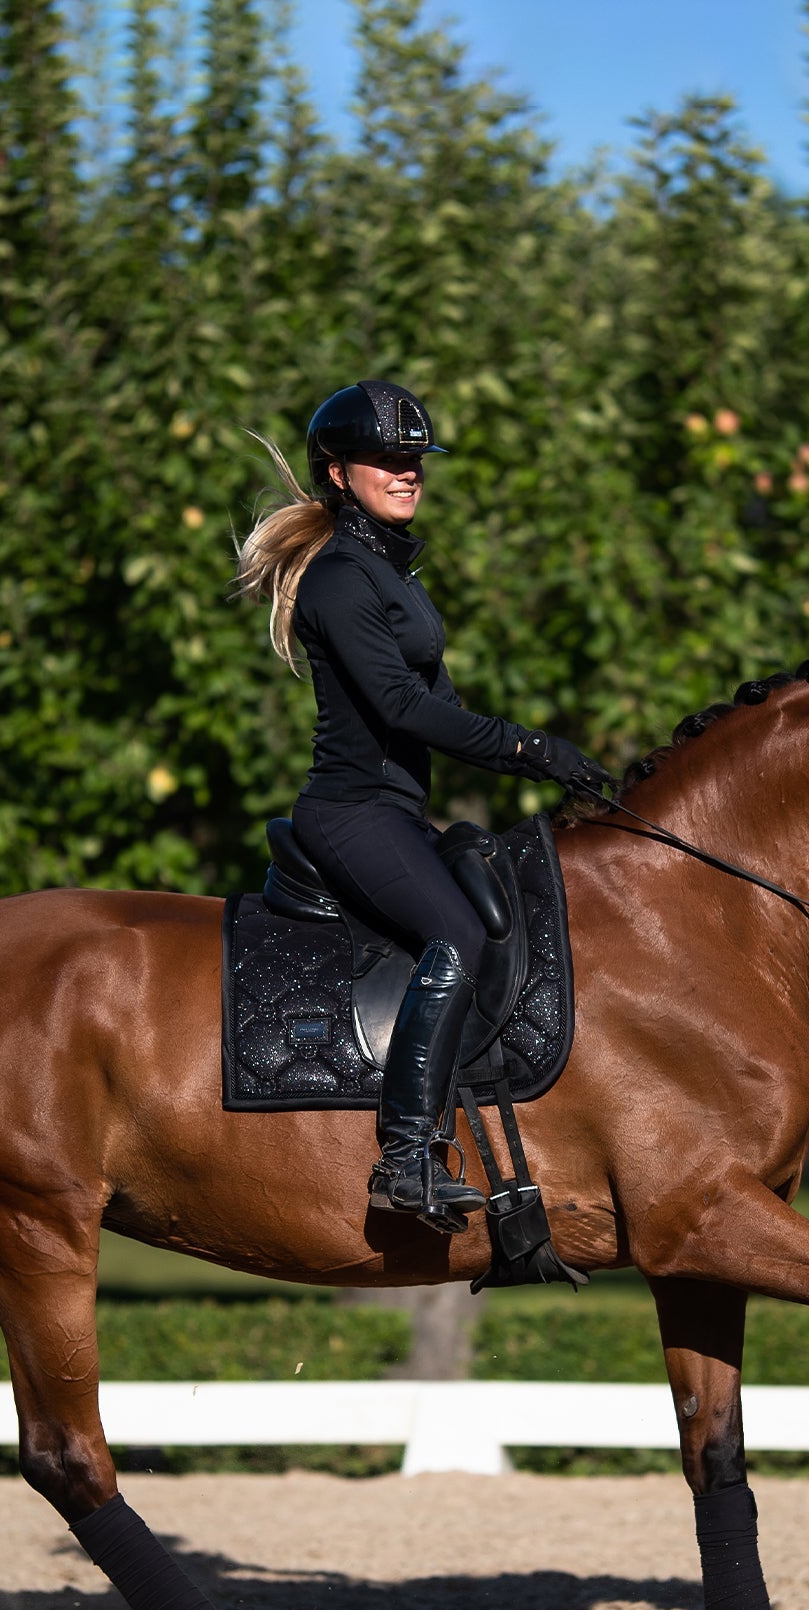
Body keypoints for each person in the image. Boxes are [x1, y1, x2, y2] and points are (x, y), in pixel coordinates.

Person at [235, 379, 610, 1231]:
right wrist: (530, 748)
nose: (407, 473)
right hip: (353, 812)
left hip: (395, 813)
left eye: (415, 460)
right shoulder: (339, 578)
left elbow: (435, 703)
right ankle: (405, 1161)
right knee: (463, 935)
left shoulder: (388, 571)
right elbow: (404, 709)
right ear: (338, 472)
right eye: (387, 460)